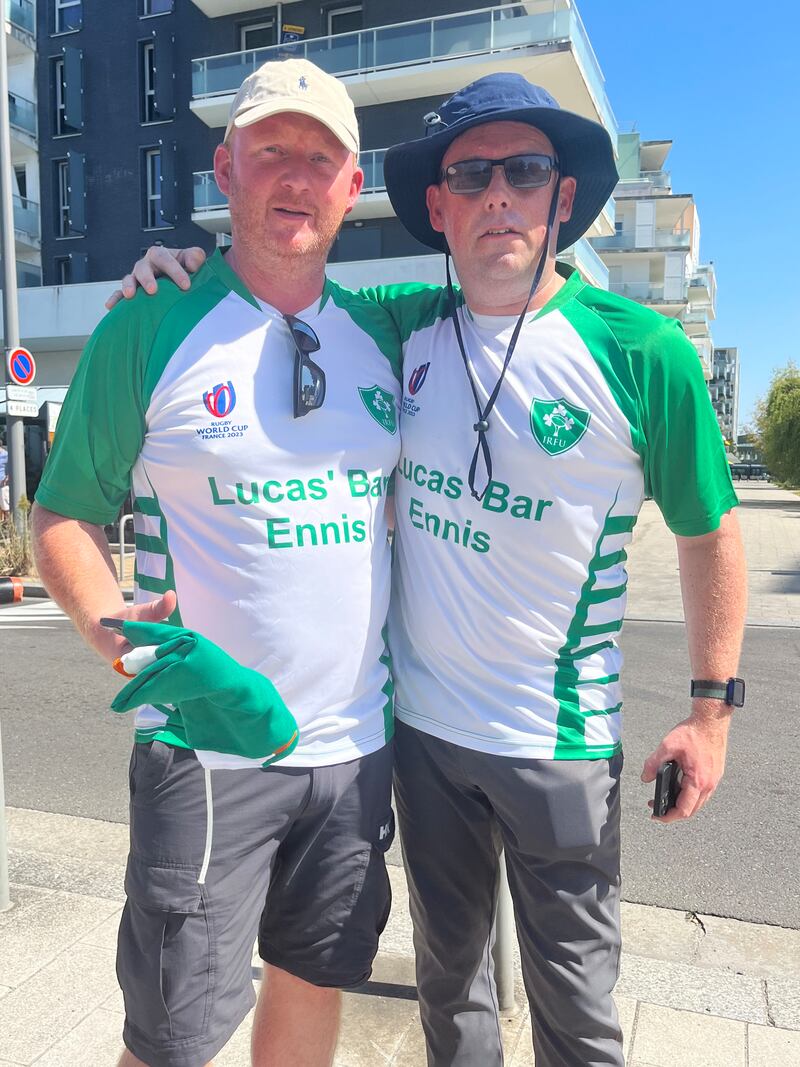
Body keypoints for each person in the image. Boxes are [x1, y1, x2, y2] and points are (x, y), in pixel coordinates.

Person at [116, 74, 747, 1067]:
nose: (498, 194)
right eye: (470, 175)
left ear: (562, 199)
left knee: (577, 1018)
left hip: (561, 745)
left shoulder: (644, 354)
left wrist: (710, 709)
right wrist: (186, 270)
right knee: (449, 1003)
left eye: (525, 170)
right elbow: (282, 286)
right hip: (419, 743)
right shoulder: (396, 328)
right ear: (440, 206)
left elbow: (710, 533)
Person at [31, 58, 402, 1067]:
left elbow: (510, 297)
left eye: (319, 158)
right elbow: (61, 514)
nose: (295, 175)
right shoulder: (150, 321)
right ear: (223, 167)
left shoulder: (387, 329)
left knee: (312, 984)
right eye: (271, 150)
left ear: (350, 182)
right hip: (205, 756)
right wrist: (123, 642)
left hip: (354, 753)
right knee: (170, 1038)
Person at [0, 432, 9, 522]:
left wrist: (7, 477)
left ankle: (8, 524)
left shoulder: (6, 455)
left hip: (3, 483)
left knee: (5, 505)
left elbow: (12, 467)